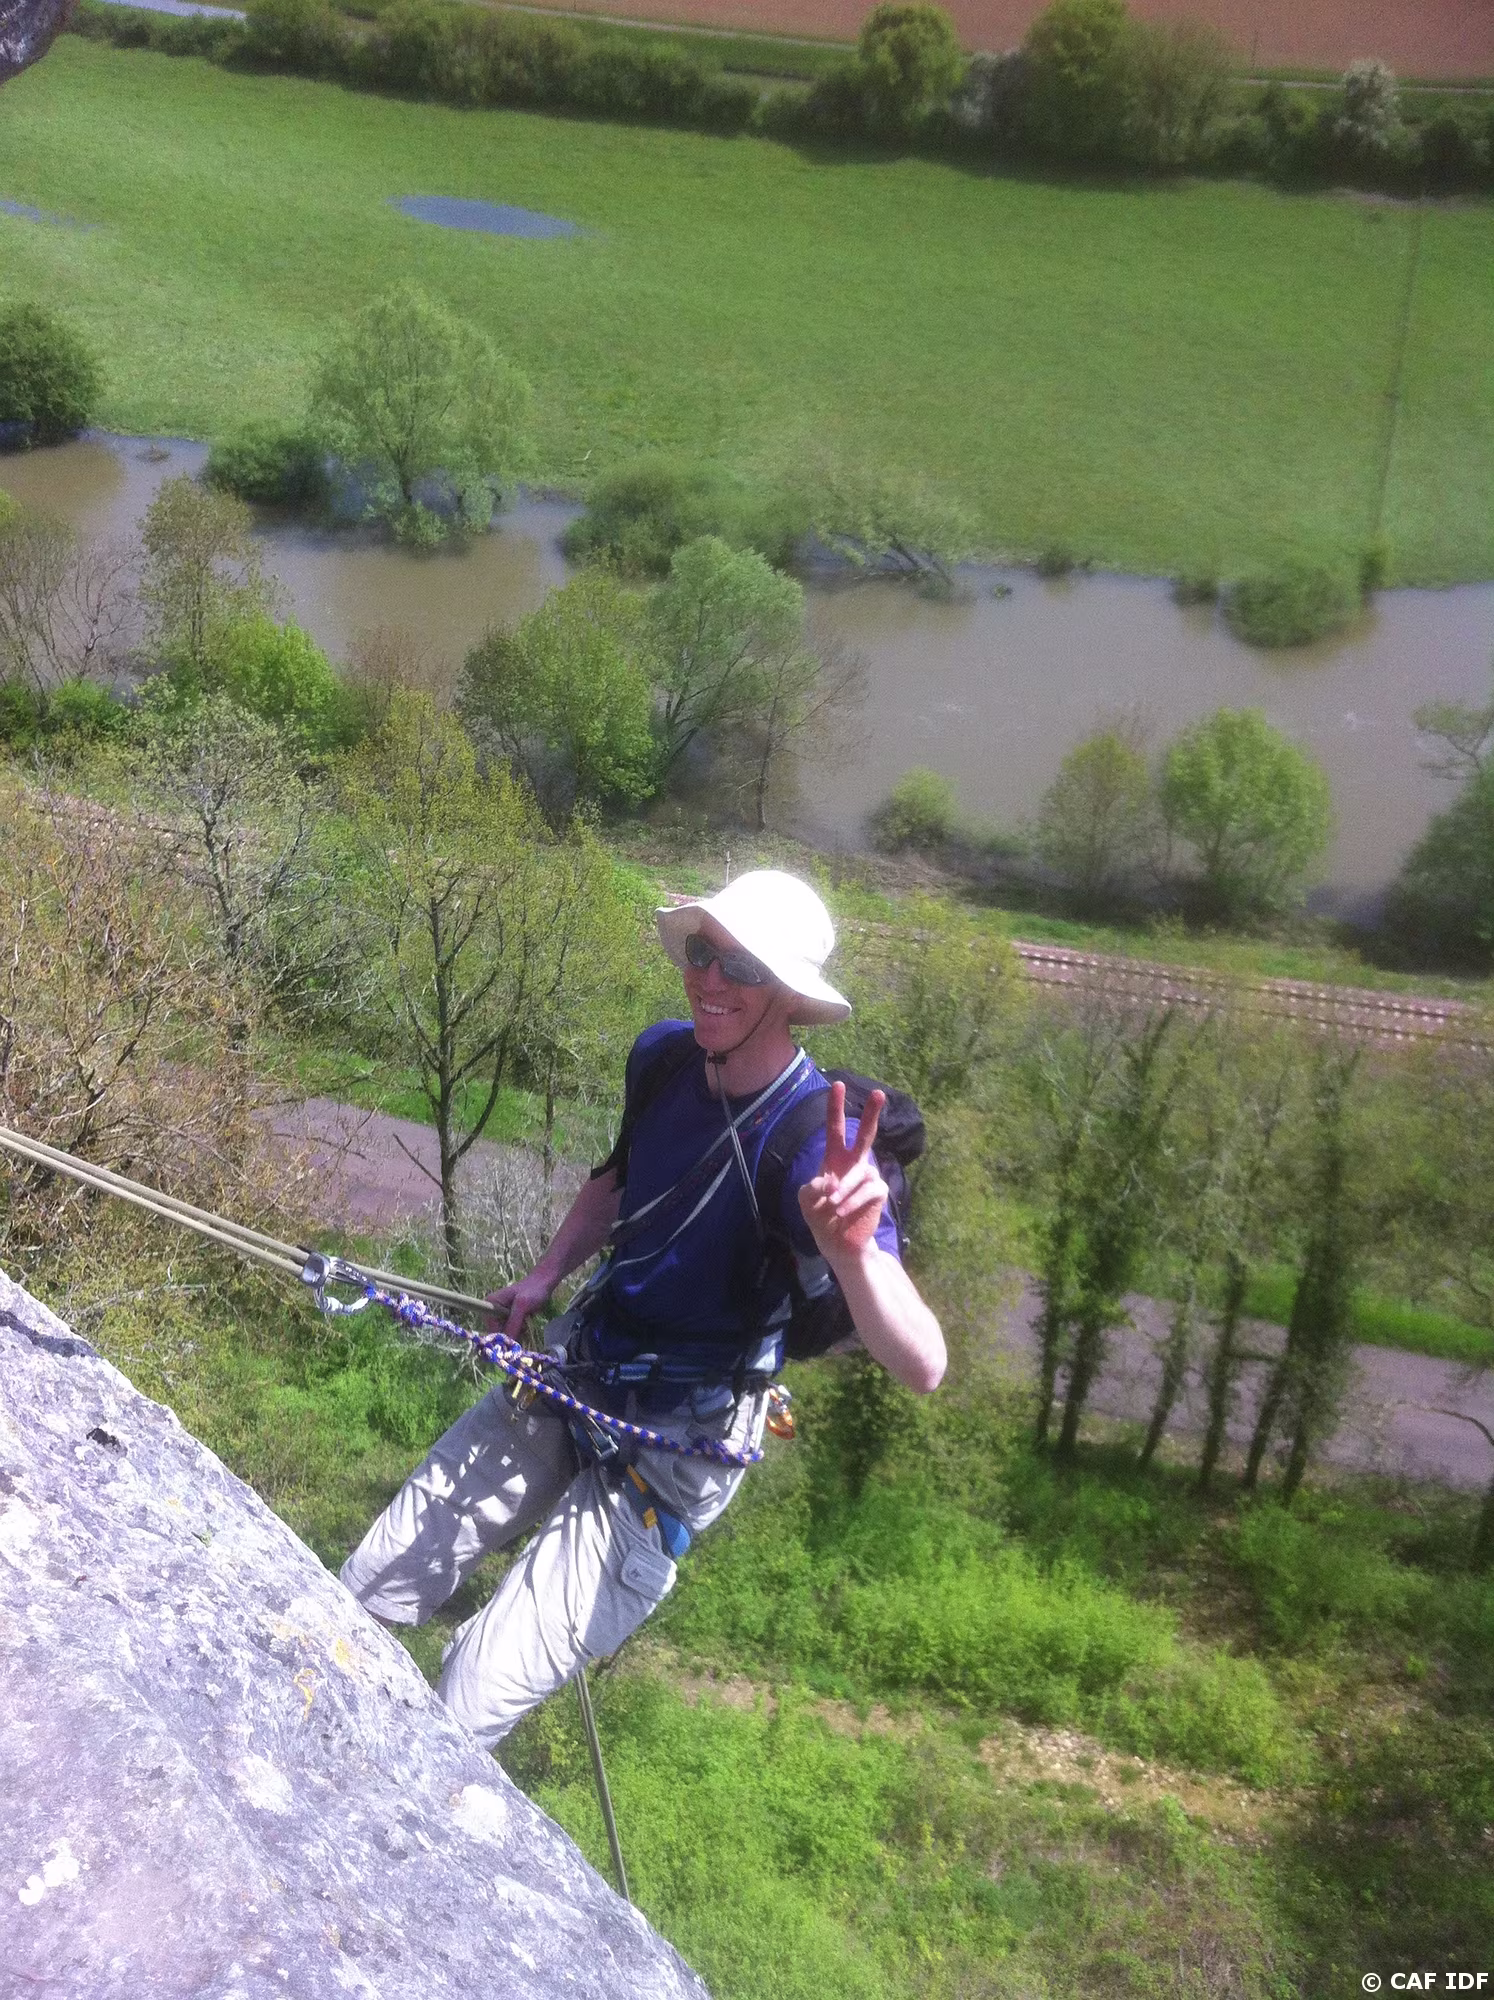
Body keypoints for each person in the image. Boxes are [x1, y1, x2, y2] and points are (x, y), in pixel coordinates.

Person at [340, 869, 945, 1747]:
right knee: (367, 1587)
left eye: (742, 967)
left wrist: (852, 1251)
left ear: (787, 993)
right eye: (702, 953)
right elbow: (618, 1179)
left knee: (464, 1701)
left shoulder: (811, 1143)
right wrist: (547, 1273)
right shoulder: (664, 1058)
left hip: (673, 1453)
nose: (709, 980)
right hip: (580, 1370)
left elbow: (922, 1363)